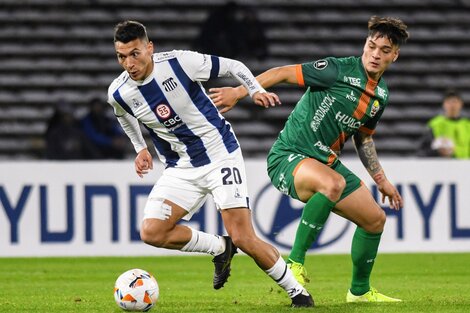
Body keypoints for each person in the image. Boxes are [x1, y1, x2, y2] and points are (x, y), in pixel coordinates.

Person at [107, 20, 313, 308]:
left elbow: (234, 66)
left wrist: (253, 90)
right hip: (180, 167)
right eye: (121, 56)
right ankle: (220, 247)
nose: (129, 63)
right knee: (152, 231)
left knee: (244, 236)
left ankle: (298, 293)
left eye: (135, 54)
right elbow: (123, 115)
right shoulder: (119, 92)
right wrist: (140, 148)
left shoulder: (180, 63)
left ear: (149, 48)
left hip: (220, 155)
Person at [210, 16, 409, 303]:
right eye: (371, 45)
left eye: (385, 50)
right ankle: (295, 263)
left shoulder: (380, 95)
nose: (375, 54)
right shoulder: (337, 69)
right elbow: (281, 72)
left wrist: (382, 180)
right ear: (365, 45)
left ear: (395, 55)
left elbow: (363, 138)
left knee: (375, 220)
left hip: (324, 162)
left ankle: (360, 292)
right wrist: (241, 92)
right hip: (289, 157)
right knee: (333, 183)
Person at [417, 90, 470, 158]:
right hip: (443, 166)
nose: (452, 105)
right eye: (449, 102)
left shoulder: (467, 125)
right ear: (444, 104)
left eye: (455, 102)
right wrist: (437, 152)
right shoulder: (435, 124)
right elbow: (422, 151)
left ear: (461, 104)